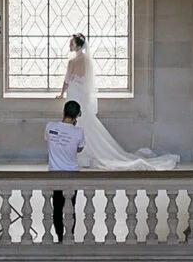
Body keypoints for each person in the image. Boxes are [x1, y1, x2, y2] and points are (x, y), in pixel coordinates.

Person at [61, 34, 177, 171]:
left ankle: (79, 153)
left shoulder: (72, 62)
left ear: (78, 45)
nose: (70, 45)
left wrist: (61, 93)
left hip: (74, 94)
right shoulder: (88, 60)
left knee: (76, 122)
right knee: (85, 122)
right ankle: (85, 151)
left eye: (72, 43)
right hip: (81, 95)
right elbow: (88, 82)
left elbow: (67, 80)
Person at [44, 100, 84, 242]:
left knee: (57, 207)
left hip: (55, 173)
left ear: (64, 112)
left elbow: (48, 140)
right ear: (76, 116)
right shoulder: (78, 132)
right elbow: (79, 148)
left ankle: (60, 236)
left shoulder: (50, 127)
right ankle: (69, 235)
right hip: (72, 174)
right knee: (70, 207)